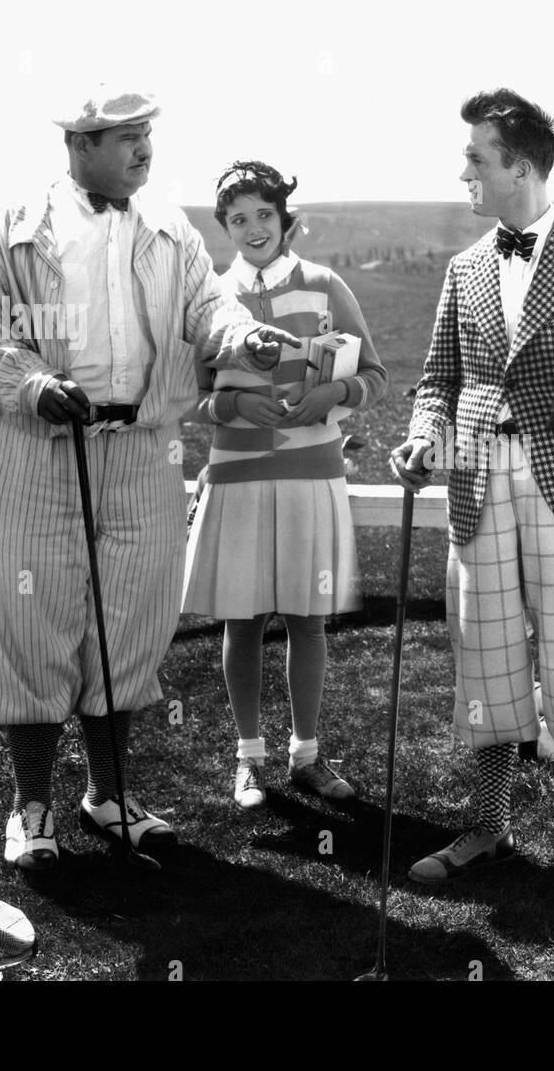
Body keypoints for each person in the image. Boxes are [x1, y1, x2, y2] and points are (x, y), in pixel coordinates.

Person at [0, 88, 300, 871]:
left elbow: (209, 311)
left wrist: (247, 335)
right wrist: (32, 382)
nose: (144, 150)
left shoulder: (169, 230)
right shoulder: (6, 231)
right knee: (24, 619)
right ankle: (30, 805)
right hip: (36, 444)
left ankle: (110, 795)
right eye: (126, 136)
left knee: (131, 619)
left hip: (143, 448)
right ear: (79, 142)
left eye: (147, 135)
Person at [390, 89, 554, 899]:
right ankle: (487, 823)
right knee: (489, 660)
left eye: (476, 157)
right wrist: (422, 440)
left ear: (523, 166)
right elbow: (440, 380)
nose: (463, 171)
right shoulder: (465, 267)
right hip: (477, 486)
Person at [182, 160, 387, 808]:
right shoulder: (210, 296)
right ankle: (248, 759)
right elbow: (185, 396)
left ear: (284, 219)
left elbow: (375, 375)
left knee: (307, 619)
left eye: (263, 215)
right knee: (241, 623)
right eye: (237, 218)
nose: (252, 228)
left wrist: (334, 389)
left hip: (311, 474)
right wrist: (235, 408)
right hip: (237, 475)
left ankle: (306, 754)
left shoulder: (326, 285)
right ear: (224, 228)